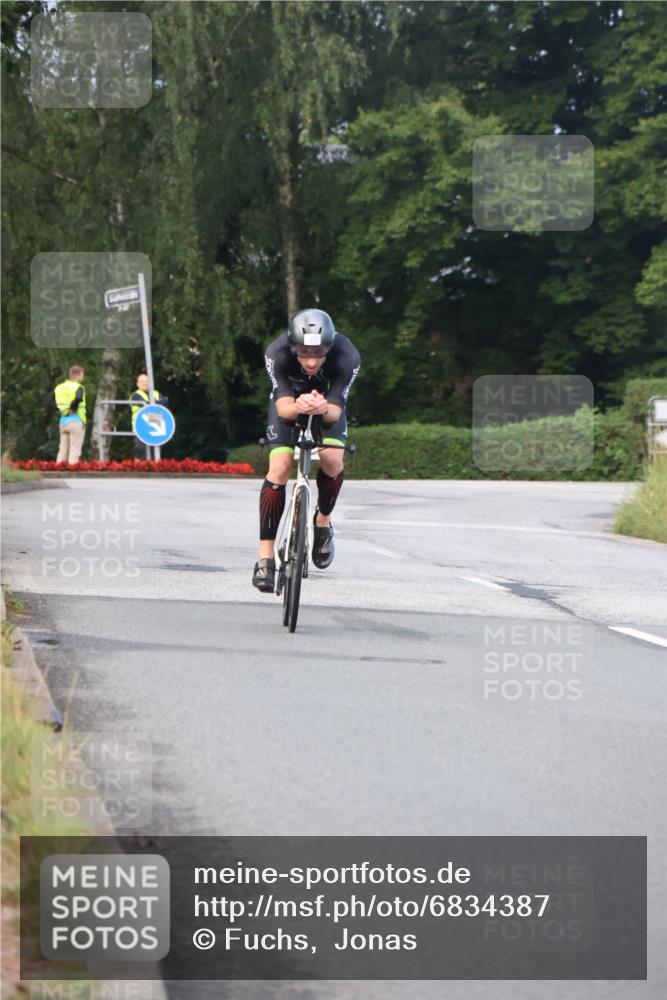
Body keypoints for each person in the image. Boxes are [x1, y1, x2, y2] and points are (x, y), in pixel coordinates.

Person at [253, 308, 361, 592]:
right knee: (279, 468)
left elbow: (336, 409)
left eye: (319, 354)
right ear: (292, 347)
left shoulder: (348, 356)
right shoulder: (276, 353)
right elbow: (283, 407)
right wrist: (299, 406)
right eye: (304, 353)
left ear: (330, 346)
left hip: (328, 406)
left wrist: (322, 407)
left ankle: (322, 521)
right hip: (289, 403)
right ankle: (265, 555)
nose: (312, 362)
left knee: (331, 457)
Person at [129, 374, 169, 459]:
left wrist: (152, 402)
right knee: (141, 450)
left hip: (156, 426)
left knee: (156, 450)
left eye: (147, 381)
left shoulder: (155, 393)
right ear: (138, 384)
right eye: (142, 382)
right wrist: (156, 402)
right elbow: (146, 405)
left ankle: (155, 468)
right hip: (140, 426)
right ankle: (141, 469)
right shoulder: (135, 395)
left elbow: (165, 401)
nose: (145, 383)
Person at [53, 365, 86, 464]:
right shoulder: (79, 387)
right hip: (75, 420)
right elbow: (78, 398)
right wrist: (72, 408)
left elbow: (48, 400)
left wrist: (62, 410)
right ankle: (72, 472)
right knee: (74, 450)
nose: (83, 377)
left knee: (62, 449)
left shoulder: (60, 387)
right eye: (82, 374)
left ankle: (58, 470)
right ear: (78, 375)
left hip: (63, 421)